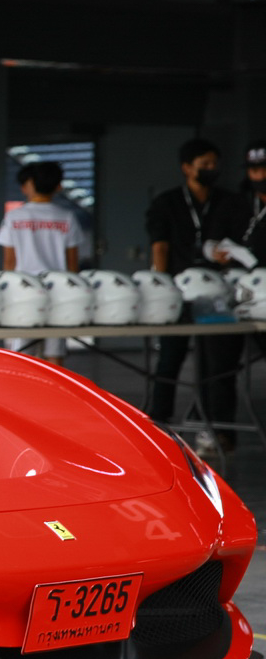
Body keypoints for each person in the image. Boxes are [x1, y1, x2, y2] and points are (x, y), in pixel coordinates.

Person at [145, 138, 236, 455]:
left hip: (217, 292)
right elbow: (160, 245)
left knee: (220, 364)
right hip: (179, 291)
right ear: (187, 167)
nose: (211, 169)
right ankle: (157, 424)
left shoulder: (227, 201)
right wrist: (160, 285)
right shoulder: (167, 203)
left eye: (215, 164)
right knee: (170, 358)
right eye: (205, 164)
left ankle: (220, 430)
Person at [0, 159, 80, 362]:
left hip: (23, 291)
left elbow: (9, 262)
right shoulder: (67, 217)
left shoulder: (14, 217)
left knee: (22, 354)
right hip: (57, 292)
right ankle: (55, 394)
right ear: (59, 186)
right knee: (54, 356)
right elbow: (72, 265)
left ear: (30, 184)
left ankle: (22, 393)